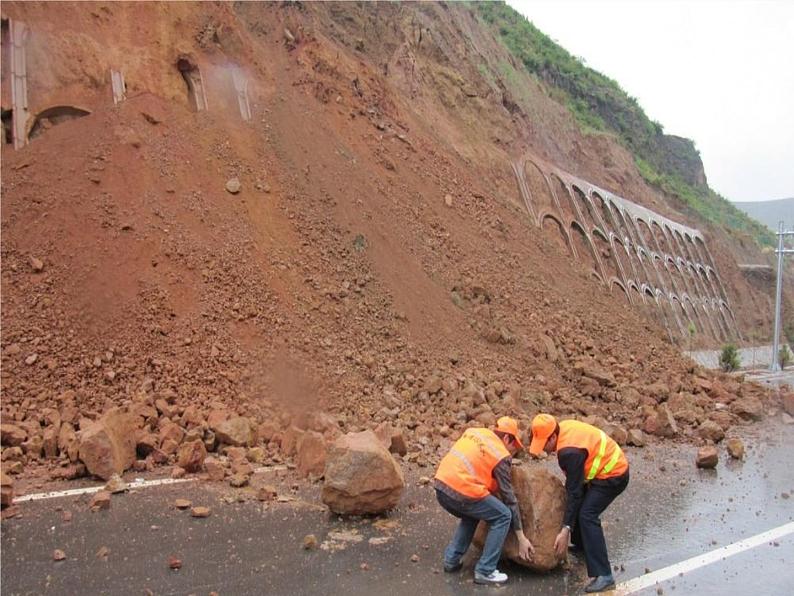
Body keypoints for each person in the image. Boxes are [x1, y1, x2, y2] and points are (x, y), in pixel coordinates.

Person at [528, 414, 629, 594]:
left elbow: (574, 492)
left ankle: (604, 575)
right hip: (599, 473)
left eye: (544, 444)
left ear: (552, 437)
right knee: (580, 506)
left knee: (587, 515)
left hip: (613, 475)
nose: (544, 449)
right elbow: (575, 488)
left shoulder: (568, 452)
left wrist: (565, 529)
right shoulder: (564, 429)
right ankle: (583, 546)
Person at [434, 416, 535, 585]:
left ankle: (451, 560)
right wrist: (521, 537)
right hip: (461, 491)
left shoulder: (475, 432)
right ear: (506, 438)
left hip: (440, 486)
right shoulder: (500, 455)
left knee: (472, 512)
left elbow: (476, 464)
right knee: (503, 515)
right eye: (513, 445)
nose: (512, 451)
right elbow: (509, 499)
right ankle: (485, 570)